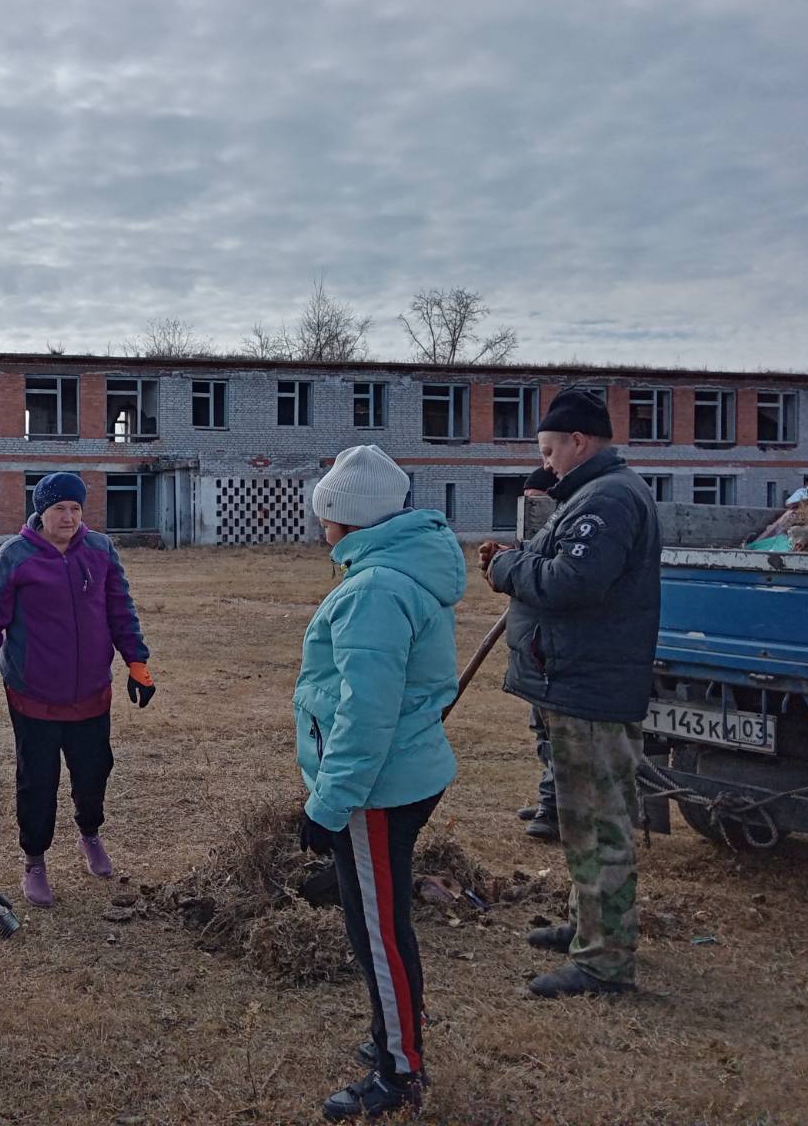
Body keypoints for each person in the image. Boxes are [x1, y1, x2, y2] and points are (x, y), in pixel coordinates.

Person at [293, 445, 463, 1121]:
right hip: (398, 776)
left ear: (343, 516)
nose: (319, 525)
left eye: (324, 512)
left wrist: (330, 803)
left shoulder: (374, 591)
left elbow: (366, 712)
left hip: (377, 789)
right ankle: (392, 1037)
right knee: (379, 923)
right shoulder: (395, 570)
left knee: (379, 931)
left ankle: (400, 1070)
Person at [481, 386, 661, 999]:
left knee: (598, 824)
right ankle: (591, 926)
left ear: (579, 442)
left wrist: (506, 569)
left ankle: (604, 963)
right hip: (578, 682)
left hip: (589, 688)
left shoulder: (608, 498)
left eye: (551, 449)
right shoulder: (594, 493)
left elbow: (572, 584)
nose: (548, 461)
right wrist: (517, 555)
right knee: (583, 820)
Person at [0, 472, 155, 910]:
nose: (67, 517)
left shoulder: (100, 550)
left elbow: (120, 609)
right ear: (41, 512)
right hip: (34, 694)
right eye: (58, 509)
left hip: (91, 690)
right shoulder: (16, 556)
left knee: (93, 773)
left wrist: (137, 663)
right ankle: (35, 861)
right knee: (38, 781)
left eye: (74, 509)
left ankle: (90, 833)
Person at [515, 465, 561, 842]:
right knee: (543, 730)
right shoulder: (532, 539)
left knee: (560, 733)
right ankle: (550, 796)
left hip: (559, 653)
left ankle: (555, 808)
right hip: (536, 651)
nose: (531, 509)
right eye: (527, 502)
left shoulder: (563, 536)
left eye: (538, 502)